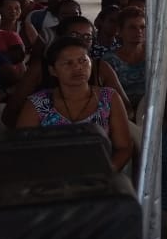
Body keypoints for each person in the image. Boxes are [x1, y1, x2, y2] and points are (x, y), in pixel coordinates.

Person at [15, 35, 133, 172]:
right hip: (50, 176)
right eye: (68, 63)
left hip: (100, 174)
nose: (77, 67)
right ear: (53, 70)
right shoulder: (37, 103)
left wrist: (106, 172)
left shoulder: (109, 98)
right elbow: (21, 150)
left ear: (91, 63)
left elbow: (124, 147)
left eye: (83, 61)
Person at [100, 7, 148, 113]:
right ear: (120, 31)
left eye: (142, 27)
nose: (139, 31)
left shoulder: (155, 56)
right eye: (132, 27)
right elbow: (110, 95)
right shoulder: (110, 60)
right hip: (121, 111)